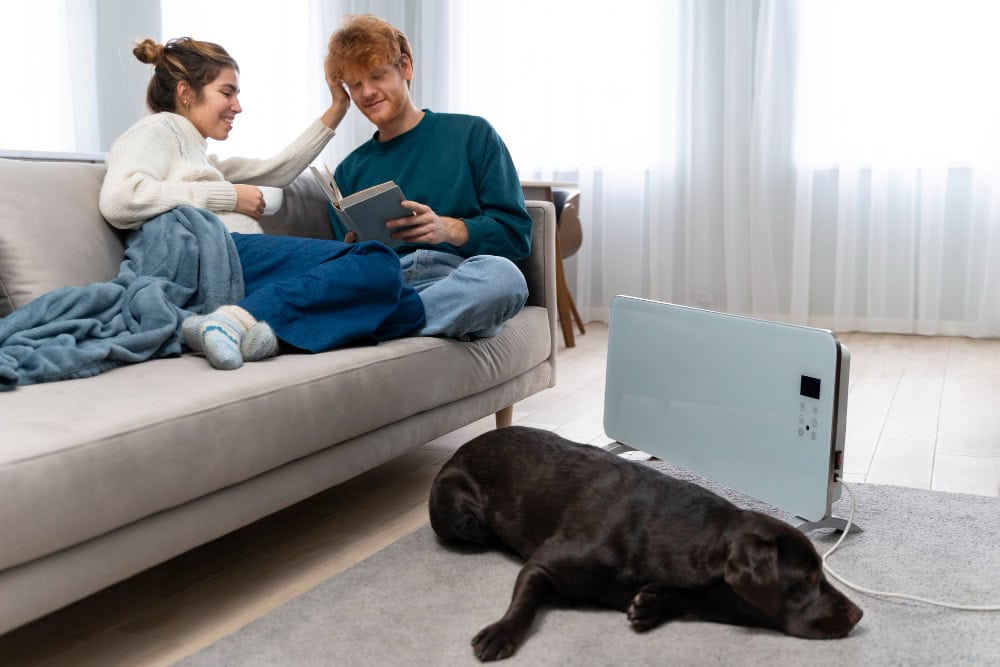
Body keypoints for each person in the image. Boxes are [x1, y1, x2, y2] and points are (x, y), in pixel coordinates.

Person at [99, 37, 425, 370]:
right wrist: (231, 196)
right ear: (185, 93)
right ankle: (237, 322)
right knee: (379, 262)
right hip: (223, 254)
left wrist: (338, 108)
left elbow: (277, 171)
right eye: (227, 92)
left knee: (407, 307)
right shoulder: (160, 128)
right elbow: (120, 200)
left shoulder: (201, 157)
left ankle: (251, 330)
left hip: (235, 269)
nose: (237, 106)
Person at [325, 15, 532, 340]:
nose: (366, 93)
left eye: (376, 75)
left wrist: (449, 228)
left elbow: (517, 237)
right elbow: (347, 268)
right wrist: (354, 250)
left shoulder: (473, 134)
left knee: (505, 279)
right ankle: (400, 321)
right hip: (386, 283)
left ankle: (375, 326)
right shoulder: (349, 170)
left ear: (405, 67)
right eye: (354, 84)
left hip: (456, 278)